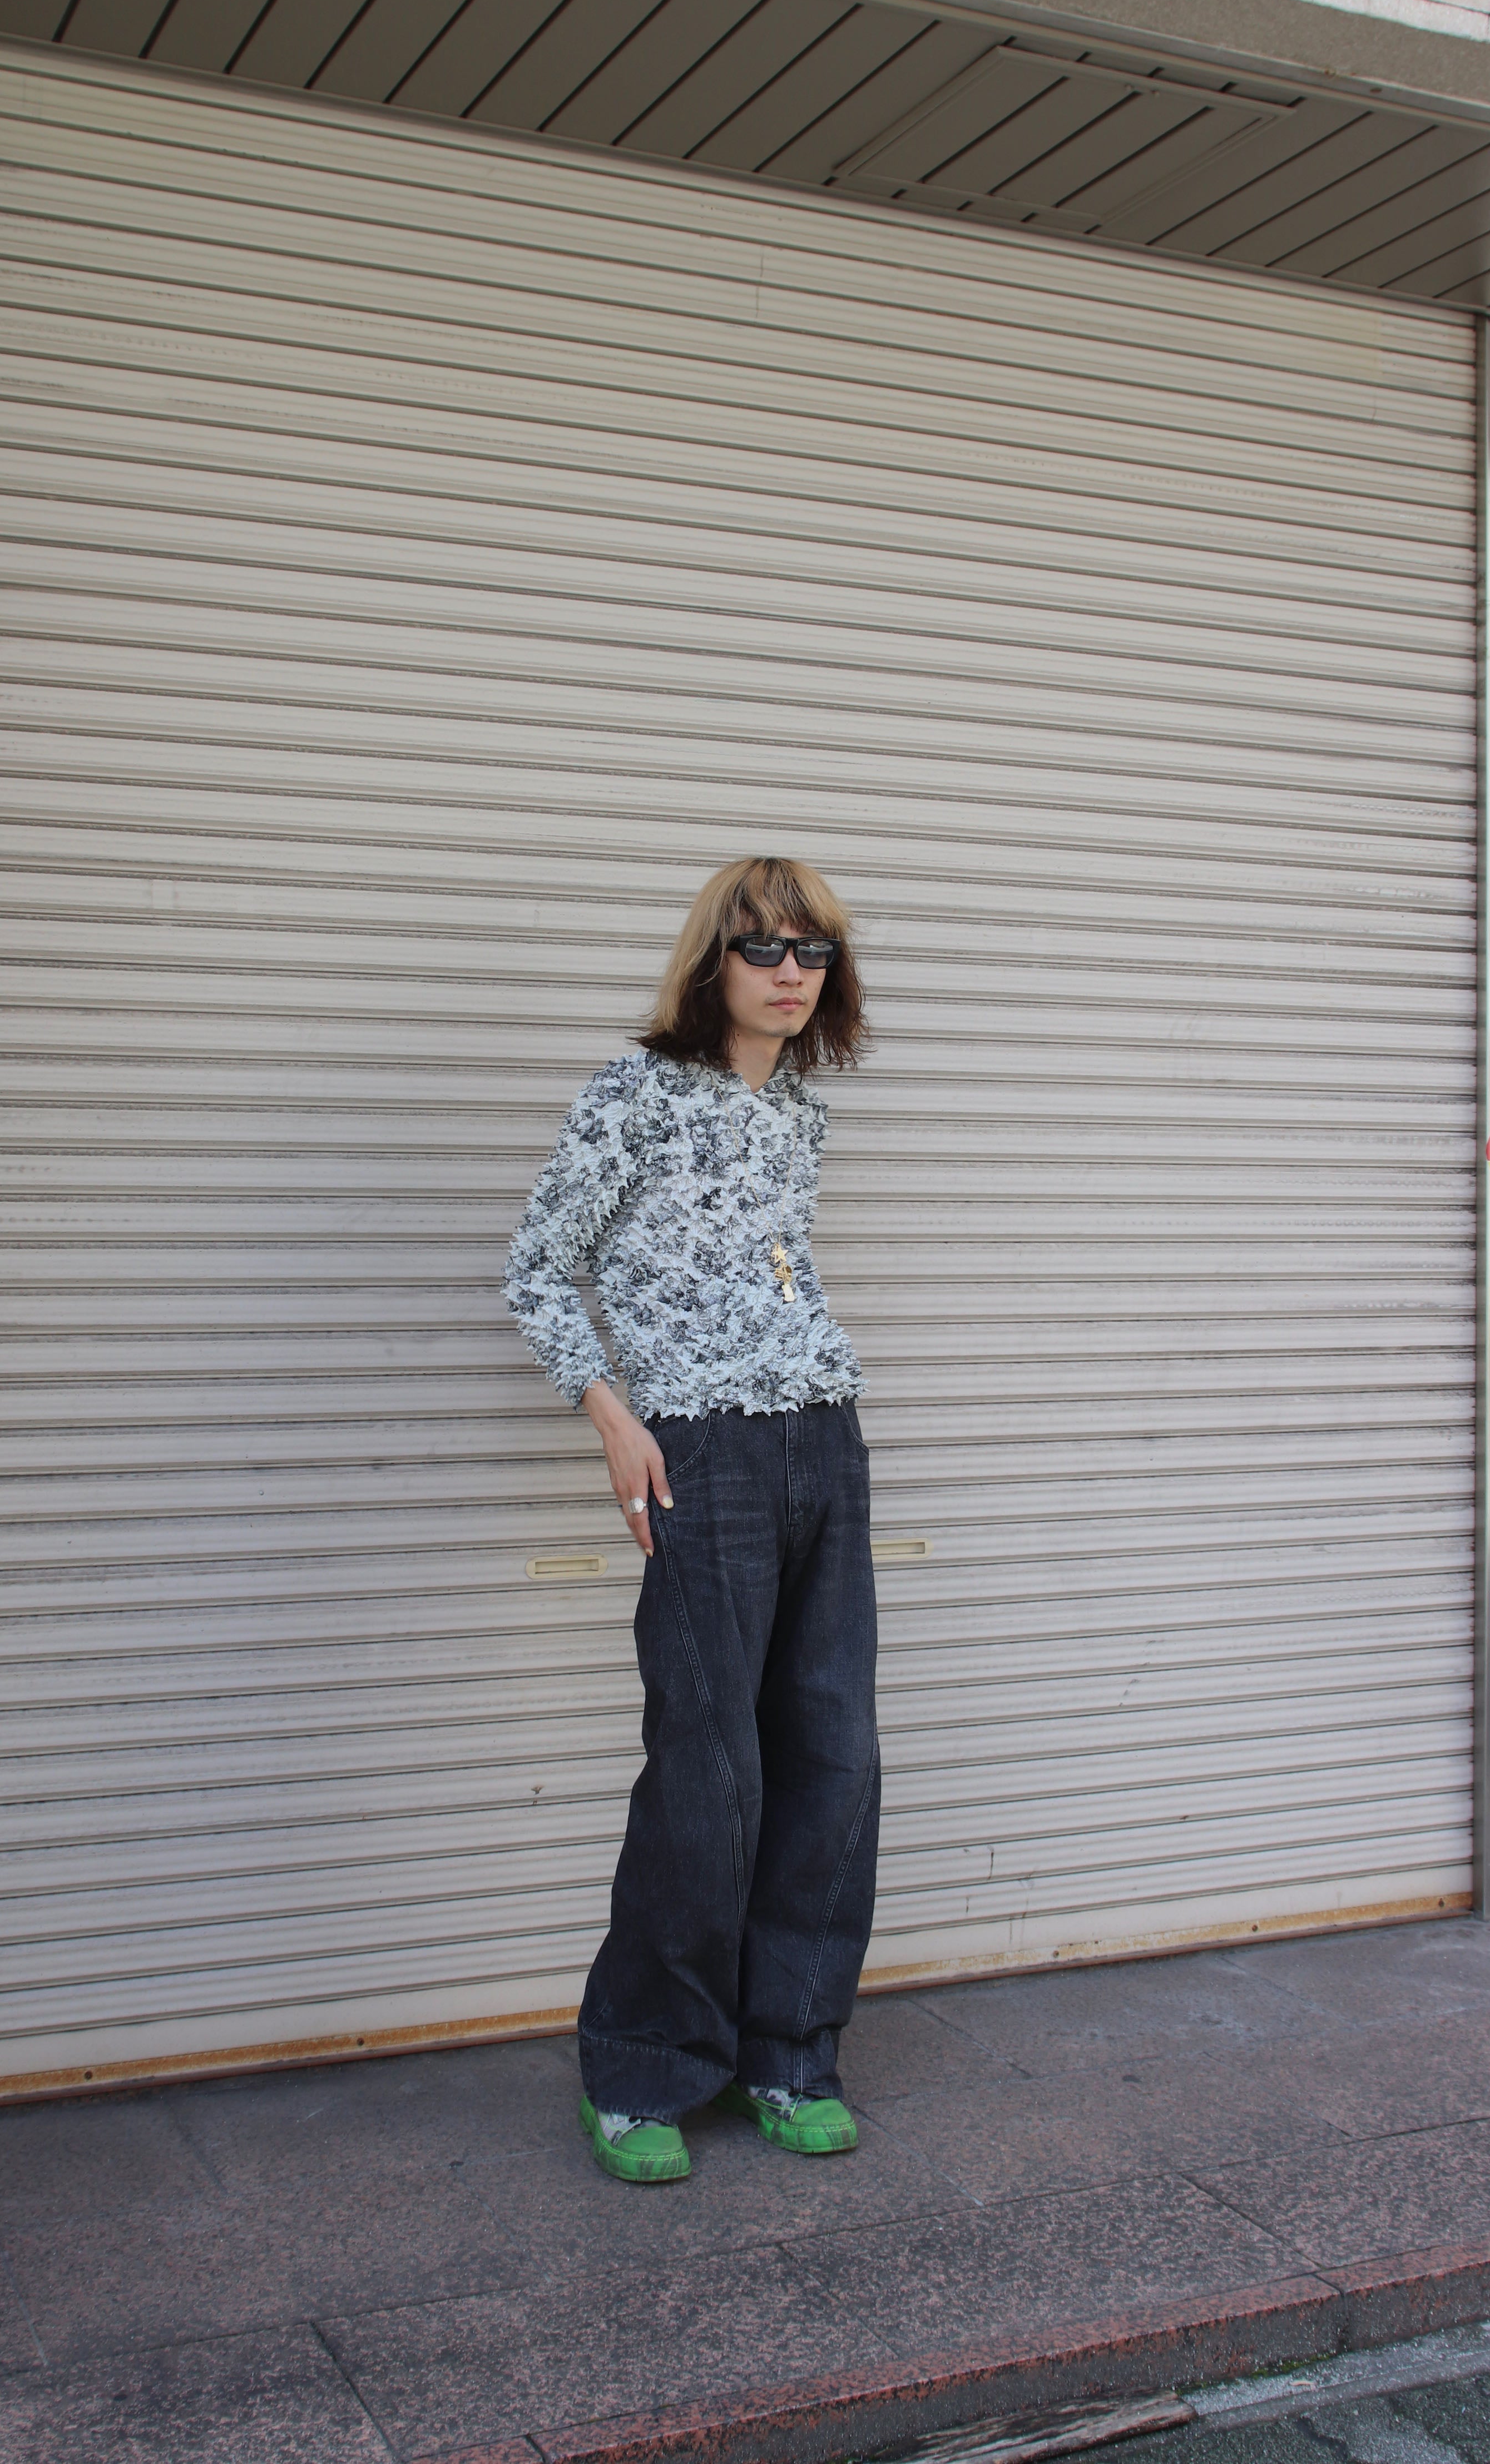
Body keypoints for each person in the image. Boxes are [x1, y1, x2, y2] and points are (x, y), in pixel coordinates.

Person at [504, 857, 879, 2185]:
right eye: (763, 946)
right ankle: (644, 2067)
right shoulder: (634, 1095)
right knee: (708, 1771)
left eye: (814, 951)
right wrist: (614, 1417)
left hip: (822, 1440)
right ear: (712, 960)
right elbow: (539, 1267)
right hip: (701, 1455)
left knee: (832, 1758)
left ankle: (791, 2053)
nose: (791, 972)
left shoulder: (800, 1117)